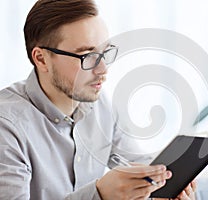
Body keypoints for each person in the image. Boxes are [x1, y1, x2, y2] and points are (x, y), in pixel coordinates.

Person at [0, 0, 196, 199]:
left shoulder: (98, 104)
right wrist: (99, 194)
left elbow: (139, 164)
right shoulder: (6, 126)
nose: (103, 70)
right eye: (87, 55)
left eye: (104, 52)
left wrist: (165, 183)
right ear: (41, 59)